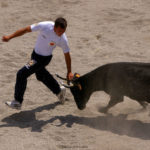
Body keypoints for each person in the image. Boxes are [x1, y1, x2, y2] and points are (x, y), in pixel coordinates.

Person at [2, 17, 74, 109]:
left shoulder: (63, 39)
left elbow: (67, 55)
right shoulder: (46, 26)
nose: (61, 34)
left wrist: (69, 71)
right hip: (35, 55)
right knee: (40, 75)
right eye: (59, 31)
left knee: (21, 74)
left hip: (43, 59)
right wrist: (10, 37)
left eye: (63, 31)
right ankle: (59, 91)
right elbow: (26, 29)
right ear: (54, 27)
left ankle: (17, 101)